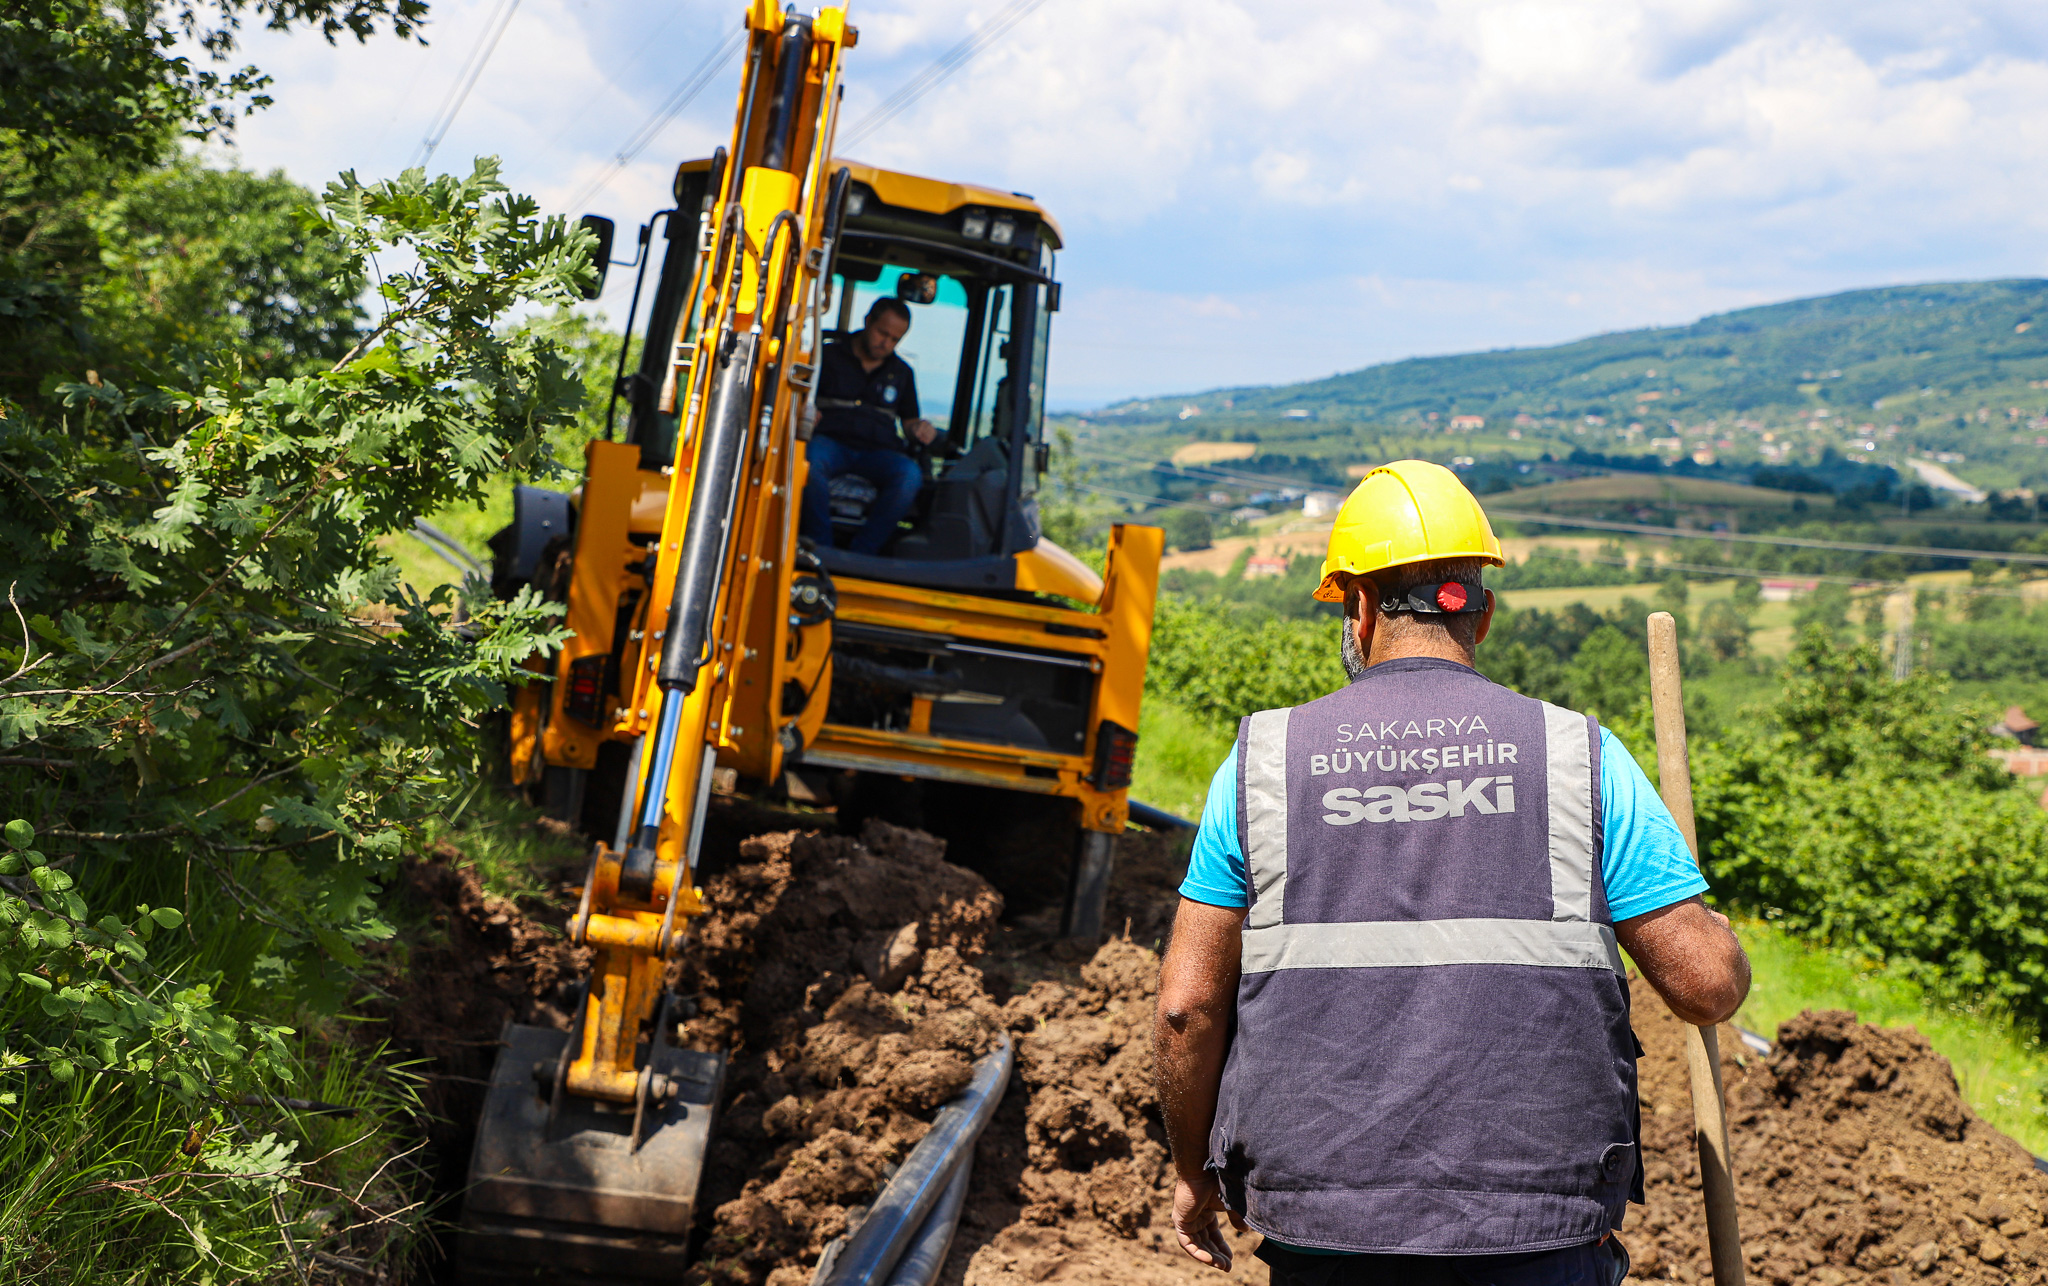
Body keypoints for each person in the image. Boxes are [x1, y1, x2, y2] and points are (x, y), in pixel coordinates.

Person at [1152, 460, 1751, 1286]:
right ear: (1485, 613)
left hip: (1327, 1228)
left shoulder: (1261, 765)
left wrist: (1193, 1172)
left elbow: (1185, 1010)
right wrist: (1715, 931)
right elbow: (1706, 987)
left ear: (1358, 606)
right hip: (1536, 1227)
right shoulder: (1581, 758)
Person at [800, 297, 938, 555]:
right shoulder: (827, 356)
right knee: (809, 461)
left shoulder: (902, 373)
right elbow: (801, 399)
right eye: (882, 333)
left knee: (909, 475)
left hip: (878, 452)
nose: (886, 343)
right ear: (868, 321)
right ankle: (821, 547)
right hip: (830, 443)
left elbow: (908, 421)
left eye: (895, 339)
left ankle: (863, 553)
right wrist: (807, 411)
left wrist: (919, 428)